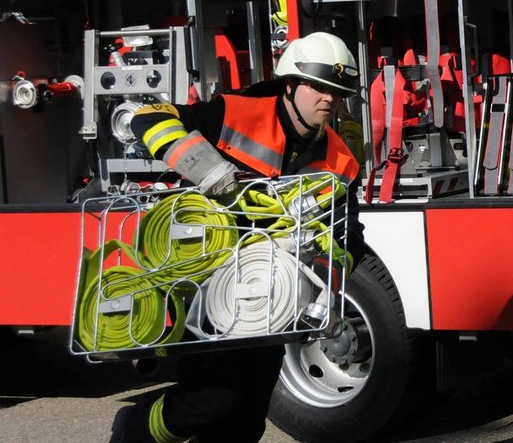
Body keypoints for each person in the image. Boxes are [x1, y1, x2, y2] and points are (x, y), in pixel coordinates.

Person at [109, 31, 364, 442]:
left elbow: (349, 236)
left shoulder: (340, 159)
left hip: (271, 297)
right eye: (318, 87)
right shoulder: (233, 113)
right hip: (211, 284)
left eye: (337, 91)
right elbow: (146, 117)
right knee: (214, 400)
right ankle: (136, 428)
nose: (328, 100)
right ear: (290, 84)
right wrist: (203, 166)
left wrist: (325, 265)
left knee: (248, 415)